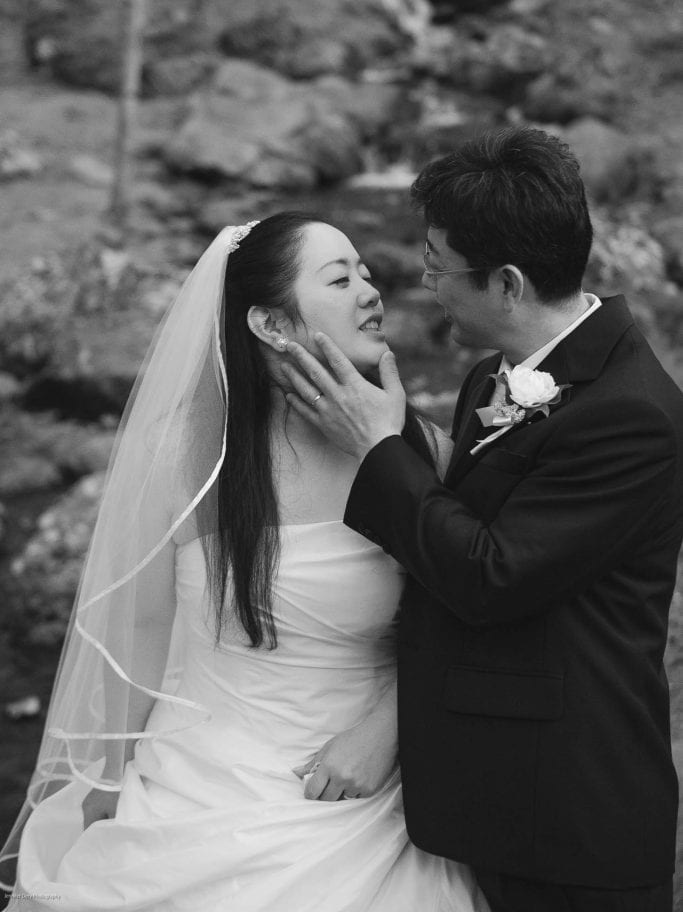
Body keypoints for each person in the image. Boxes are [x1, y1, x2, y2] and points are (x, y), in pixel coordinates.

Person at [1, 212, 489, 912]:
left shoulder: (420, 453)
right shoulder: (185, 456)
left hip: (362, 792)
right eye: (339, 277)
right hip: (194, 778)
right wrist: (109, 781)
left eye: (366, 271)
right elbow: (139, 628)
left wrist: (390, 725)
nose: (371, 291)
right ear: (271, 324)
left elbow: (467, 606)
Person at [283, 127, 683, 912]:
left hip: (570, 819)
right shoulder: (490, 377)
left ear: (505, 283)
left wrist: (373, 446)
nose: (425, 282)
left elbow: (488, 576)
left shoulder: (634, 415)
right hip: (486, 795)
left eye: (438, 265)